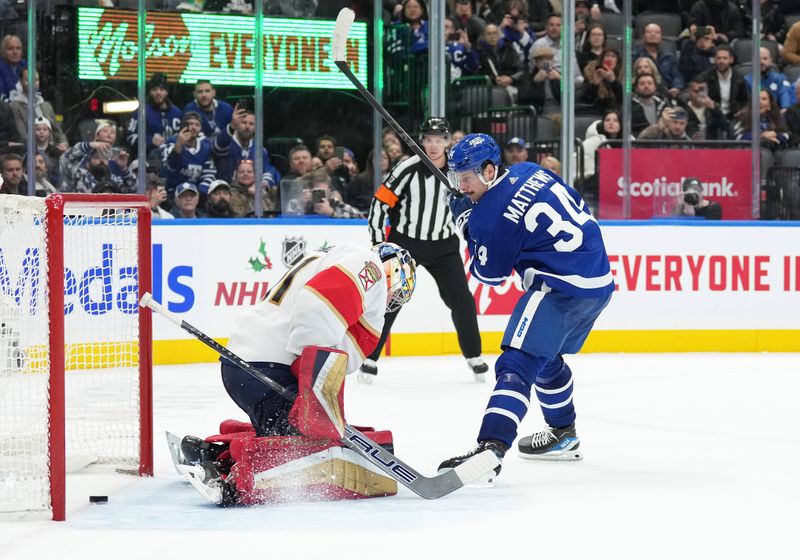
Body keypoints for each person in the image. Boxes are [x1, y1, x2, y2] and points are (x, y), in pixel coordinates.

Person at [180, 242, 416, 505]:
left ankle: (212, 451)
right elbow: (319, 304)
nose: (392, 299)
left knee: (283, 434)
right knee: (312, 447)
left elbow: (342, 345)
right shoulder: (369, 265)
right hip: (271, 371)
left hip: (241, 366)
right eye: (398, 287)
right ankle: (230, 474)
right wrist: (308, 370)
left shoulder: (327, 258)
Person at [437, 133, 613, 481]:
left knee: (516, 361)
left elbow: (489, 274)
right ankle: (563, 435)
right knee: (544, 359)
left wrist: (465, 225)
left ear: (489, 171)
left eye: (466, 178)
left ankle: (491, 447)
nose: (461, 187)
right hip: (598, 281)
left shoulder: (489, 217)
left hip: (558, 287)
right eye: (456, 179)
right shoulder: (530, 170)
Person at [365, 117, 488, 382]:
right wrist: (378, 245)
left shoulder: (458, 170)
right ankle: (369, 357)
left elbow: (476, 199)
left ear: (447, 141)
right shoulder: (407, 168)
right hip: (405, 244)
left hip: (444, 246)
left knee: (462, 300)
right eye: (428, 139)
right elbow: (380, 204)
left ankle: (474, 355)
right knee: (390, 300)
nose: (433, 145)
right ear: (421, 141)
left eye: (439, 139)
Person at [126, 72, 183, 161]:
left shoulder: (177, 113)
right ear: (150, 91)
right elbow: (130, 137)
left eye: (161, 89)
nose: (158, 93)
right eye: (154, 89)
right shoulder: (141, 112)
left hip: (173, 161)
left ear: (167, 91)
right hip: (147, 161)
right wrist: (150, 140)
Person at [7, 69, 68, 149]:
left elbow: (58, 131)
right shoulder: (15, 106)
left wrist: (64, 144)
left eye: (35, 80)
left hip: (53, 150)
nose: (32, 83)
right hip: (30, 150)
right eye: (28, 80)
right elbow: (22, 136)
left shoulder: (46, 105)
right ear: (21, 82)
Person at [160, 111, 216, 194]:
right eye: (190, 124)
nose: (194, 127)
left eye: (197, 125)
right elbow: (167, 170)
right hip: (173, 192)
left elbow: (209, 174)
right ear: (183, 126)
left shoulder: (205, 148)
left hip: (196, 194)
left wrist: (200, 192)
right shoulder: (171, 143)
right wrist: (178, 146)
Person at [631, 23, 684, 97]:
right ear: (643, 36)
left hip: (667, 93)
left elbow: (676, 76)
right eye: (649, 32)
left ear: (661, 37)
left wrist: (676, 87)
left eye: (657, 33)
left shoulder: (669, 57)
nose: (653, 34)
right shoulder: (635, 56)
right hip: (641, 93)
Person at [702, 44, 750, 120]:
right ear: (714, 59)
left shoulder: (739, 79)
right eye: (719, 58)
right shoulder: (706, 77)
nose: (721, 61)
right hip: (712, 117)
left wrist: (742, 111)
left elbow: (745, 100)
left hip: (734, 117)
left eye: (725, 58)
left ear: (731, 60)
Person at [0, 35, 26, 103]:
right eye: (10, 48)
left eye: (18, 48)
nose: (15, 52)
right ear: (3, 51)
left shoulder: (26, 65)